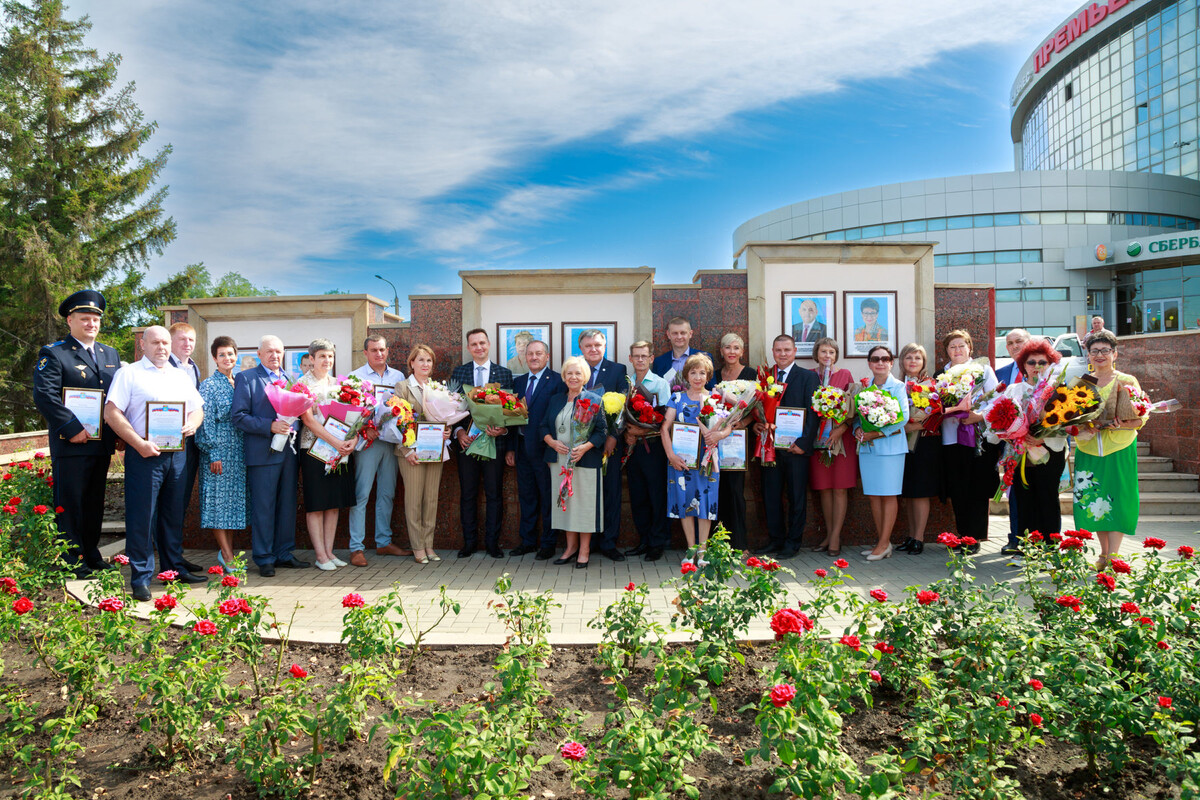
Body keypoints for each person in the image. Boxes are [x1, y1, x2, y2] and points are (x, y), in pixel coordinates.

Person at [103, 326, 206, 600]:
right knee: (142, 517)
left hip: (178, 455)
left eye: (165, 343)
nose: (161, 347)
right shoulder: (129, 373)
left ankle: (173, 571)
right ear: (143, 346)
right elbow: (111, 412)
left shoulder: (180, 375)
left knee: (173, 515)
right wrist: (138, 443)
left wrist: (192, 425)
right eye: (156, 342)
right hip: (145, 454)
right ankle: (141, 577)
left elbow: (197, 409)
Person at [32, 290, 122, 579]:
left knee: (94, 501)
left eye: (95, 319)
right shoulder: (54, 353)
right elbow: (45, 396)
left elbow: (117, 397)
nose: (91, 323)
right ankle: (71, 559)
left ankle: (92, 553)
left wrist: (120, 431)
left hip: (102, 442)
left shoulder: (110, 354)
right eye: (85, 318)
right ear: (70, 320)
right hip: (71, 443)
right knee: (70, 502)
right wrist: (72, 429)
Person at [232, 335, 309, 577]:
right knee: (264, 507)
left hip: (288, 452)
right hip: (262, 454)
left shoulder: (290, 379)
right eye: (269, 351)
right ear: (259, 353)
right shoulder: (247, 378)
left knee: (287, 505)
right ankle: (264, 557)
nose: (274, 356)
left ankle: (283, 553)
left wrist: (290, 426)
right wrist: (270, 426)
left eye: (278, 351)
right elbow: (239, 416)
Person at [1072, 331, 1147, 567]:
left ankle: (1114, 556)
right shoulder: (1082, 382)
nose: (1100, 355)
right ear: (1088, 355)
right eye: (1095, 351)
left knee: (1118, 499)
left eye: (1105, 350)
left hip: (1119, 447)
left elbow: (1142, 413)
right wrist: (1083, 425)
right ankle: (1103, 554)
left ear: (1114, 354)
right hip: (1089, 449)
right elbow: (1072, 417)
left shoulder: (1127, 380)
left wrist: (1124, 423)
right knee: (1094, 500)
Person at [347, 334, 409, 568]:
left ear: (388, 350)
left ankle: (383, 541)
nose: (379, 354)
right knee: (362, 494)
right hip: (367, 444)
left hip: (390, 442)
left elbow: (403, 409)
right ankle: (356, 547)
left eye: (382, 349)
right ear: (365, 353)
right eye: (374, 350)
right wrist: (365, 428)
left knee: (387, 492)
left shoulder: (398, 376)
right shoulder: (356, 377)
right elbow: (350, 411)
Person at [450, 328, 513, 558]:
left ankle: (492, 543)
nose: (479, 347)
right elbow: (450, 409)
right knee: (468, 494)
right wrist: (457, 432)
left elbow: (511, 410)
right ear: (468, 348)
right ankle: (469, 543)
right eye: (474, 344)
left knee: (494, 494)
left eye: (482, 343)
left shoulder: (503, 374)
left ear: (489, 345)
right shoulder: (459, 372)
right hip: (467, 443)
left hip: (494, 443)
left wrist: (503, 429)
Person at [296, 339, 358, 571]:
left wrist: (353, 438)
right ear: (311, 359)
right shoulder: (302, 385)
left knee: (333, 503)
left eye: (330, 356)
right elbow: (308, 420)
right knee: (316, 504)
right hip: (313, 449)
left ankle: (330, 552)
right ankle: (320, 555)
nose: (327, 360)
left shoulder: (339, 384)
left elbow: (352, 416)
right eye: (322, 356)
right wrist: (335, 441)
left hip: (339, 450)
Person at [755, 335, 819, 558]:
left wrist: (803, 444)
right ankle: (775, 540)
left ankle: (793, 543)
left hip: (795, 449)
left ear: (795, 351)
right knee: (770, 495)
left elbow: (814, 413)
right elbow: (757, 409)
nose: (782, 354)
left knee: (796, 496)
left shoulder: (807, 377)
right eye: (778, 350)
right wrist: (757, 426)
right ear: (772, 351)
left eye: (787, 350)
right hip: (770, 446)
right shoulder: (764, 377)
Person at [540, 356, 607, 568]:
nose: (573, 377)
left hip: (584, 461)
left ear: (585, 376)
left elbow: (603, 431)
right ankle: (570, 548)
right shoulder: (556, 400)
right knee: (566, 505)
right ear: (564, 376)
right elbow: (543, 427)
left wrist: (585, 447)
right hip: (559, 461)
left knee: (584, 506)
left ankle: (584, 550)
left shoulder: (594, 400)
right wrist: (551, 442)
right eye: (569, 373)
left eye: (578, 373)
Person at [1003, 339, 1068, 553]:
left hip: (1050, 453)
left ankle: (1050, 547)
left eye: (1043, 362)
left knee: (1047, 498)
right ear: (1023, 366)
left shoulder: (1059, 391)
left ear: (1051, 365)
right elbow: (1001, 420)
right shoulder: (1014, 390)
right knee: (1023, 500)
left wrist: (1043, 438)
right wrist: (1016, 436)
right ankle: (1026, 547)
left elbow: (1066, 424)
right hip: (1022, 454)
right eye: (1031, 362)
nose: (1037, 367)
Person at [940, 329, 1001, 553]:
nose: (957, 350)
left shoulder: (983, 370)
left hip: (978, 438)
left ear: (969, 348)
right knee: (958, 488)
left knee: (976, 487)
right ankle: (961, 534)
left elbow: (996, 399)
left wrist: (979, 415)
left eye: (961, 345)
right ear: (946, 351)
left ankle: (974, 537)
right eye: (952, 347)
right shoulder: (942, 374)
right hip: (951, 438)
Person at [662, 354, 726, 564]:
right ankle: (690, 550)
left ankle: (703, 552)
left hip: (707, 461)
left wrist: (719, 435)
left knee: (705, 505)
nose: (697, 377)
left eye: (702, 373)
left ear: (708, 376)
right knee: (684, 503)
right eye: (693, 372)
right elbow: (664, 428)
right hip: (681, 460)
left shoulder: (715, 398)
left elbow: (729, 426)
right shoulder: (677, 398)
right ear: (686, 375)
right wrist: (670, 455)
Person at [395, 345, 454, 564]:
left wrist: (447, 430)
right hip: (412, 453)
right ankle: (417, 546)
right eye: (420, 360)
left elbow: (444, 417)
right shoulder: (402, 387)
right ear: (411, 363)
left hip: (434, 449)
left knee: (431, 499)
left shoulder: (437, 387)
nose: (425, 365)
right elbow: (396, 422)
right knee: (414, 500)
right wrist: (407, 449)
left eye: (429, 361)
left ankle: (429, 544)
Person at [505, 340, 563, 559]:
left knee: (548, 497)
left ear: (547, 356)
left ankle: (548, 543)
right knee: (527, 497)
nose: (534, 357)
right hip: (521, 448)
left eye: (539, 353)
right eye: (530, 354)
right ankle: (528, 541)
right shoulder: (518, 382)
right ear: (525, 357)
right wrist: (511, 448)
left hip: (545, 450)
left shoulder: (557, 381)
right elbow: (511, 418)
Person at [195, 336, 248, 569]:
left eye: (231, 354)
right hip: (218, 451)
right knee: (218, 504)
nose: (228, 358)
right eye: (223, 354)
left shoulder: (239, 382)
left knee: (232, 505)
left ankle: (229, 553)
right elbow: (205, 421)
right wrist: (212, 452)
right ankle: (226, 556)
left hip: (239, 451)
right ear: (215, 358)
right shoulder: (209, 385)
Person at [854, 346, 910, 561]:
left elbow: (902, 418)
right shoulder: (863, 387)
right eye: (875, 359)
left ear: (891, 362)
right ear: (869, 363)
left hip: (890, 449)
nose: (880, 362)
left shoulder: (898, 386)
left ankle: (884, 543)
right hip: (868, 450)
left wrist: (876, 433)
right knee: (874, 496)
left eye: (885, 359)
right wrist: (857, 429)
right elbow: (858, 415)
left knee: (888, 494)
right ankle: (882, 542)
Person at [579, 328, 628, 561]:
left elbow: (623, 409)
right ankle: (589, 543)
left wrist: (613, 436)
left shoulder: (618, 370)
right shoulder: (575, 370)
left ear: (605, 346)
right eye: (588, 346)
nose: (593, 349)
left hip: (609, 445)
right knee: (586, 494)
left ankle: (609, 543)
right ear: (581, 349)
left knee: (611, 492)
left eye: (597, 345)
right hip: (583, 446)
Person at [807, 337, 857, 558]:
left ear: (836, 356)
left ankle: (836, 536)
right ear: (816, 354)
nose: (827, 356)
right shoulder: (809, 375)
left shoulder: (845, 375)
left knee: (840, 488)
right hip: (818, 440)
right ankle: (828, 534)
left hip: (840, 440)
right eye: (823, 352)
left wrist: (840, 429)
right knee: (824, 489)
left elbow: (853, 409)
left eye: (832, 353)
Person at [624, 341, 671, 560]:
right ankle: (643, 539)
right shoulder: (626, 383)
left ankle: (657, 542)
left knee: (656, 495)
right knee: (638, 494)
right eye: (636, 356)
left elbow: (663, 420)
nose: (640, 360)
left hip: (653, 447)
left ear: (652, 358)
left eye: (644, 356)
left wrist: (640, 431)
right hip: (632, 447)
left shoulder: (660, 384)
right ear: (630, 358)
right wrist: (627, 432)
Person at [167, 322, 204, 574]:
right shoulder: (163, 367)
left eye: (191, 340)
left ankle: (176, 556)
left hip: (190, 443)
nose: (187, 344)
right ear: (170, 342)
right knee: (169, 505)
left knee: (180, 503)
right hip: (166, 445)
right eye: (182, 339)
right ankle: (170, 562)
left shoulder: (194, 368)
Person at [897, 343, 940, 556]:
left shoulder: (931, 385)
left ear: (923, 362)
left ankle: (920, 538)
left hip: (925, 442)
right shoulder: (896, 385)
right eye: (909, 358)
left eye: (918, 358)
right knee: (909, 491)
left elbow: (937, 415)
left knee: (921, 491)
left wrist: (913, 425)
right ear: (902, 362)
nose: (913, 361)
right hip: (901, 443)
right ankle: (911, 535)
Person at [714, 333, 756, 551]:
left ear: (742, 352)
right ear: (721, 351)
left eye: (736, 348)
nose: (731, 352)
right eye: (727, 348)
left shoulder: (751, 374)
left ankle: (739, 544)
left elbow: (757, 407)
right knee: (717, 490)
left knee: (735, 491)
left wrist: (745, 421)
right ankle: (719, 544)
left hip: (738, 441)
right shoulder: (714, 375)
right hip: (715, 440)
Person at [994, 328, 1030, 553]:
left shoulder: (1046, 369)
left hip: (1040, 444)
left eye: (1019, 341)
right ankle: (1015, 538)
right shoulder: (1001, 374)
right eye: (1010, 343)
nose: (1015, 346)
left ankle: (1041, 540)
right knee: (1014, 492)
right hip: (1011, 446)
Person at [652, 316, 713, 389]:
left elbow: (711, 388)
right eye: (675, 333)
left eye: (683, 333)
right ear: (668, 335)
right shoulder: (659, 362)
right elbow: (656, 390)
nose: (679, 337)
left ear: (690, 334)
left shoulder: (705, 358)